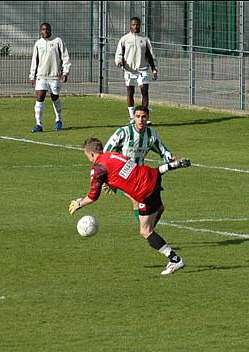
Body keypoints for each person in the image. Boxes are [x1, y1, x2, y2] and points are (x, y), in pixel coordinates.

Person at [68, 138, 191, 276]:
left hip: (144, 192)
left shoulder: (97, 168)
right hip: (152, 176)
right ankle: (171, 166)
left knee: (145, 232)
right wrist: (112, 183)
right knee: (157, 208)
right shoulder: (113, 155)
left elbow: (93, 196)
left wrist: (79, 203)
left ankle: (175, 259)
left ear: (91, 154)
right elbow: (126, 173)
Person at [104, 105, 176, 222]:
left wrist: (170, 158)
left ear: (147, 118)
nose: (140, 120)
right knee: (136, 200)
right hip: (122, 176)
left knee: (159, 208)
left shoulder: (151, 134)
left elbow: (163, 151)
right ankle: (146, 231)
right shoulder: (123, 133)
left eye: (143, 117)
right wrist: (108, 177)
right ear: (134, 118)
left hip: (141, 177)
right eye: (138, 117)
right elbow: (105, 153)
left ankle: (149, 230)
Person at [29, 22, 71, 133]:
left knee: (55, 97)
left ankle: (58, 120)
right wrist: (32, 75)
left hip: (54, 77)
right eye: (43, 29)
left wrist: (65, 72)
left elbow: (65, 57)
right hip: (41, 76)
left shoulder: (58, 41)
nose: (45, 31)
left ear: (50, 30)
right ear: (40, 31)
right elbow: (35, 60)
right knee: (39, 97)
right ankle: (38, 124)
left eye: (47, 29)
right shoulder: (38, 44)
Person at [115, 17, 157, 124]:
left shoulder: (145, 39)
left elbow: (151, 55)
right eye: (133, 25)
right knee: (130, 92)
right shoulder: (124, 39)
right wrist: (119, 62)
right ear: (130, 26)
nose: (136, 26)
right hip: (129, 71)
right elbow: (119, 54)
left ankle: (144, 116)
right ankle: (132, 117)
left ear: (140, 25)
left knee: (144, 91)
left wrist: (154, 69)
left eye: (137, 25)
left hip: (142, 70)